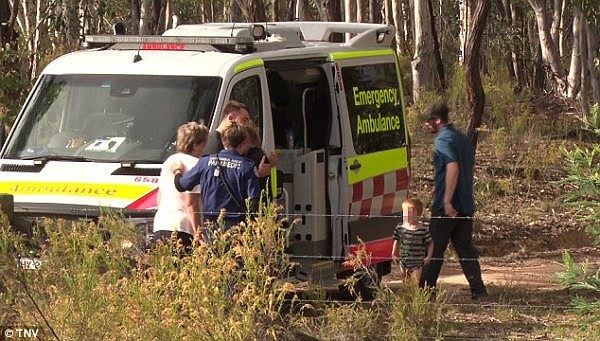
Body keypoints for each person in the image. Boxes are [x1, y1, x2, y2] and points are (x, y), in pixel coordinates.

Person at [419, 100, 488, 300]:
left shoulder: (443, 140)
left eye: (429, 120)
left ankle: (425, 293)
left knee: (433, 249)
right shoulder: (462, 138)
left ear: (438, 120)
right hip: (465, 204)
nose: (427, 124)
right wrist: (438, 186)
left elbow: (453, 167)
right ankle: (479, 290)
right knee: (465, 249)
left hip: (447, 207)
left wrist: (447, 201)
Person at [174, 122, 261, 236]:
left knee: (213, 253)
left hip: (210, 226)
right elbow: (254, 202)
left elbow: (181, 185)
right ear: (243, 142)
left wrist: (177, 171)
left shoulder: (205, 162)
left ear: (224, 141)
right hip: (237, 226)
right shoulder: (247, 167)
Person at [153, 122, 209, 251]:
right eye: (203, 145)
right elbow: (191, 203)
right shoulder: (197, 164)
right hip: (183, 226)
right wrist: (199, 235)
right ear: (195, 145)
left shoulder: (169, 161)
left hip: (161, 223)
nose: (203, 149)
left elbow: (159, 198)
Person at [204, 99, 277, 178]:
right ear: (231, 118)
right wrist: (257, 174)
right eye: (244, 120)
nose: (247, 125)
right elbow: (220, 178)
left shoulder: (221, 139)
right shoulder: (215, 142)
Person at [391, 198, 433, 284]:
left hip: (417, 262)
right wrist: (394, 254)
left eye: (410, 213)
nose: (406, 215)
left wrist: (428, 256)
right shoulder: (400, 228)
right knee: (405, 283)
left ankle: (415, 297)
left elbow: (430, 243)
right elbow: (397, 240)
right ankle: (406, 297)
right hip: (403, 260)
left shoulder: (423, 229)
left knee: (415, 283)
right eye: (404, 213)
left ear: (418, 214)